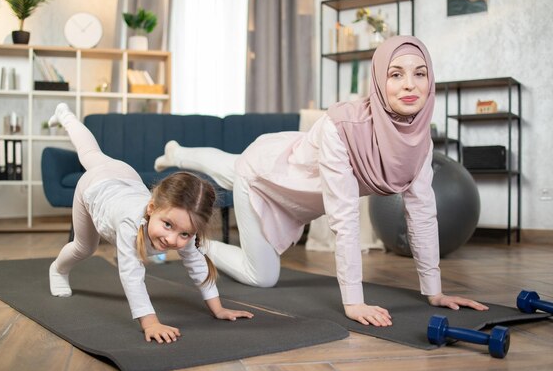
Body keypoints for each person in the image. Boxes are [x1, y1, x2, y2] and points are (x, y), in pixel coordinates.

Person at [154, 35, 489, 327]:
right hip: (265, 177)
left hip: (294, 180)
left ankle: (177, 152)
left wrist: (435, 291)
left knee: (232, 164)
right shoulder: (342, 127)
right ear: (377, 80)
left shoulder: (419, 141)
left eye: (420, 74)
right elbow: (344, 218)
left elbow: (422, 215)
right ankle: (196, 243)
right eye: (396, 74)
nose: (409, 84)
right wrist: (354, 301)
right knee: (262, 274)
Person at [48, 103, 253, 344]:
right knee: (85, 247)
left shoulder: (180, 227)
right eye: (167, 225)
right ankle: (58, 270)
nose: (173, 239)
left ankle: (64, 114)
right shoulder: (130, 224)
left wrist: (218, 309)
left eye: (185, 234)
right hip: (95, 187)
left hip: (124, 176)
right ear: (151, 208)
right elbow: (131, 275)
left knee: (90, 152)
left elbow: (198, 265)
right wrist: (151, 322)